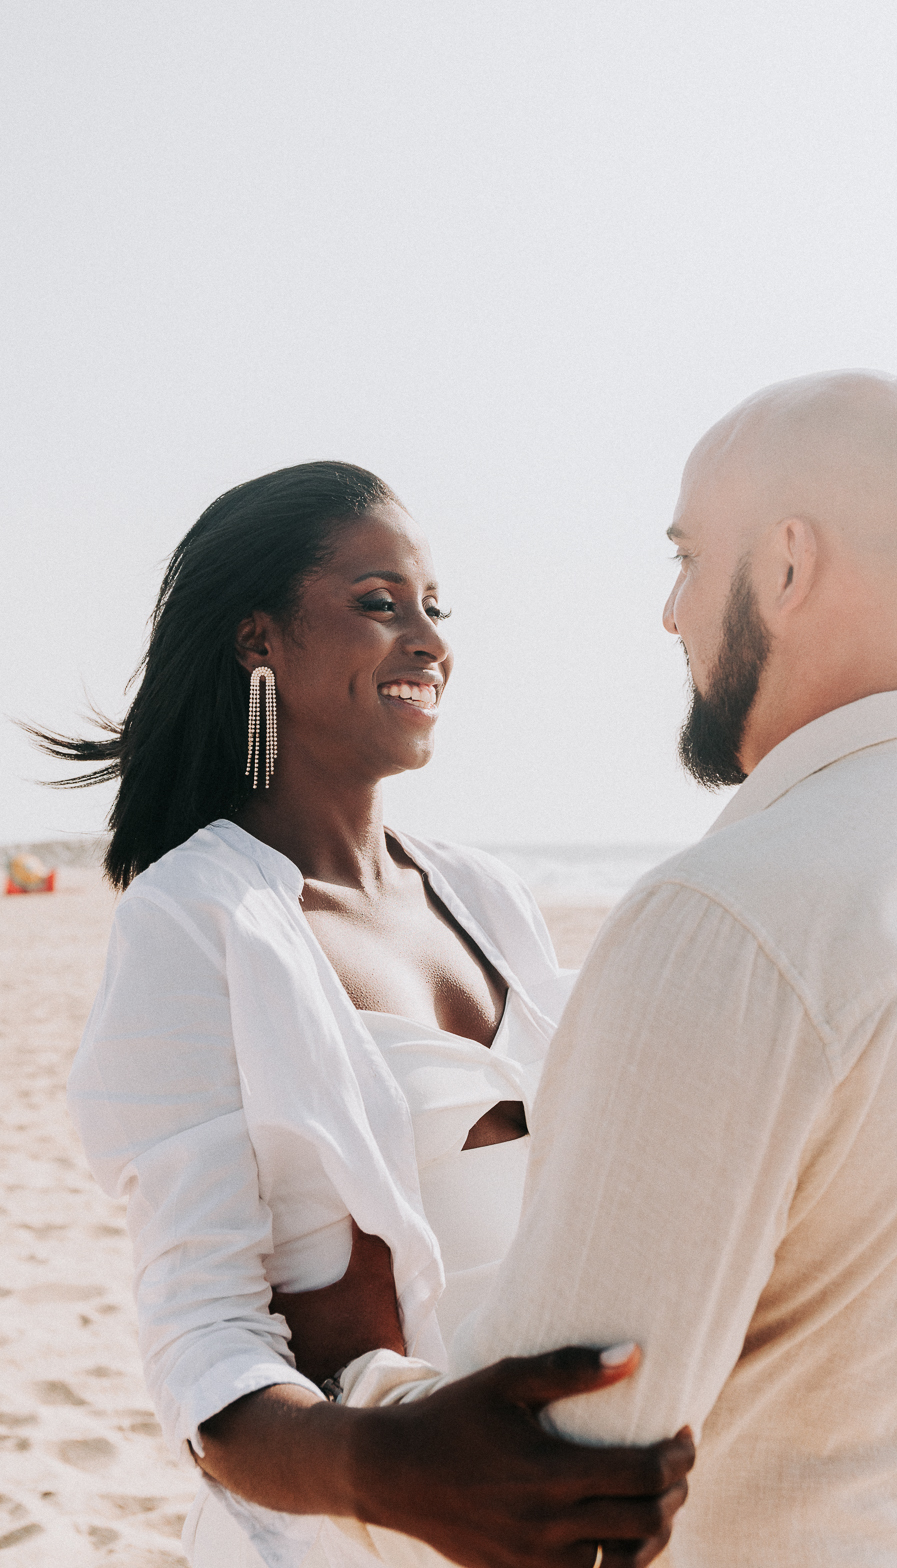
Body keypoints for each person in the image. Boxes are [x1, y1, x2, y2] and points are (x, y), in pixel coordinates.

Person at [358, 370, 897, 1566]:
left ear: (787, 568)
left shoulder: (729, 918)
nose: (671, 612)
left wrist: (345, 1399)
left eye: (688, 558)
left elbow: (560, 1462)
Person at [43, 463, 693, 1567]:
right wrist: (394, 1470)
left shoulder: (483, 893)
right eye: (381, 602)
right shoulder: (195, 917)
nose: (429, 638)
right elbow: (203, 1345)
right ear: (260, 641)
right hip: (356, 1536)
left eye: (436, 608)